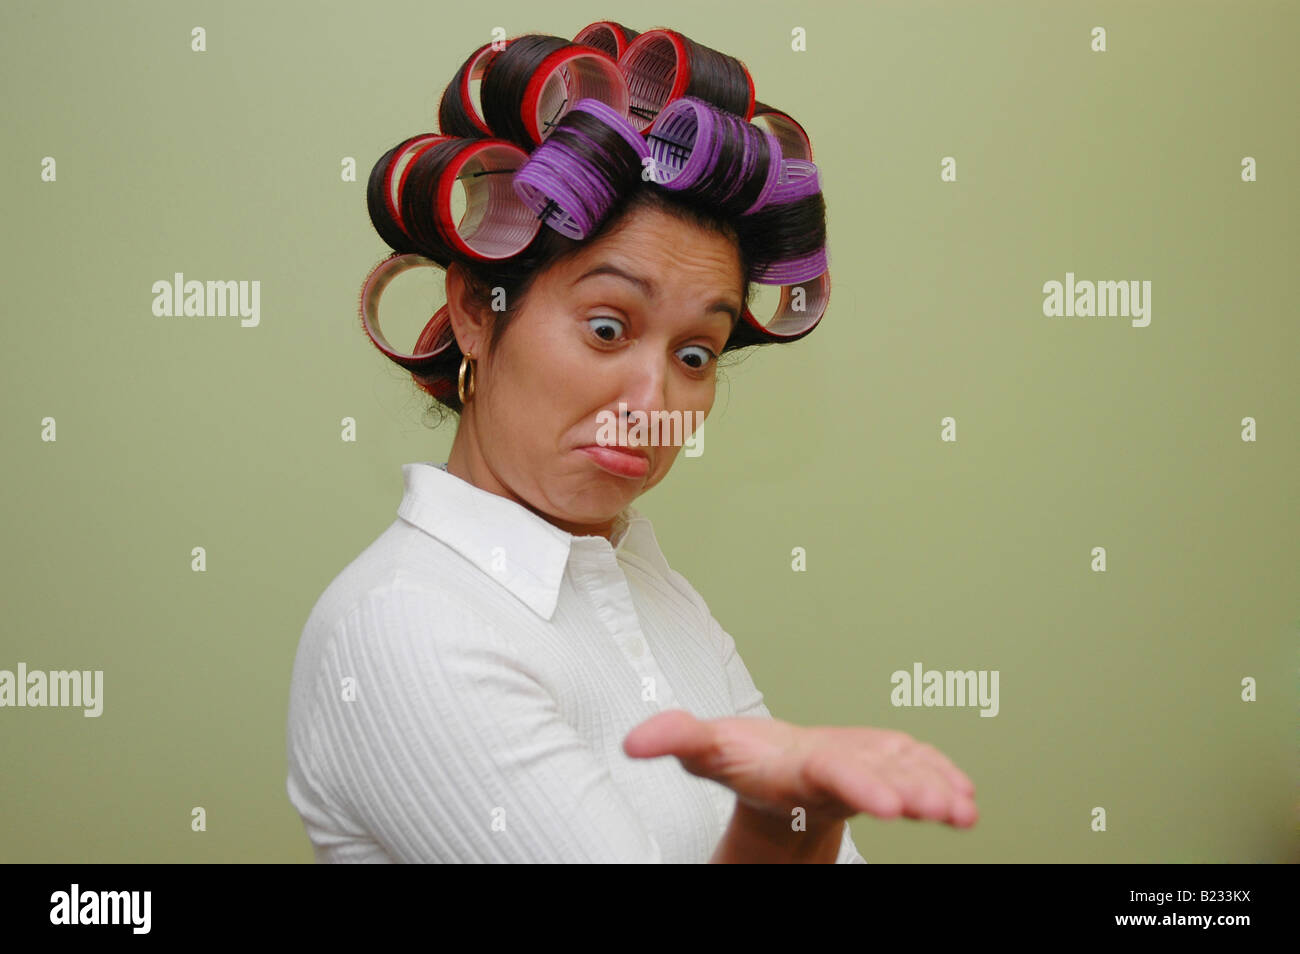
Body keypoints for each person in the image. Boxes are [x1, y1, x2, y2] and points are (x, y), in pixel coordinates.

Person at [286, 26, 977, 863]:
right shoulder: (405, 624)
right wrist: (780, 822)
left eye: (695, 355)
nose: (654, 403)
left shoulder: (648, 587)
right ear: (476, 307)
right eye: (608, 327)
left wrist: (801, 815)